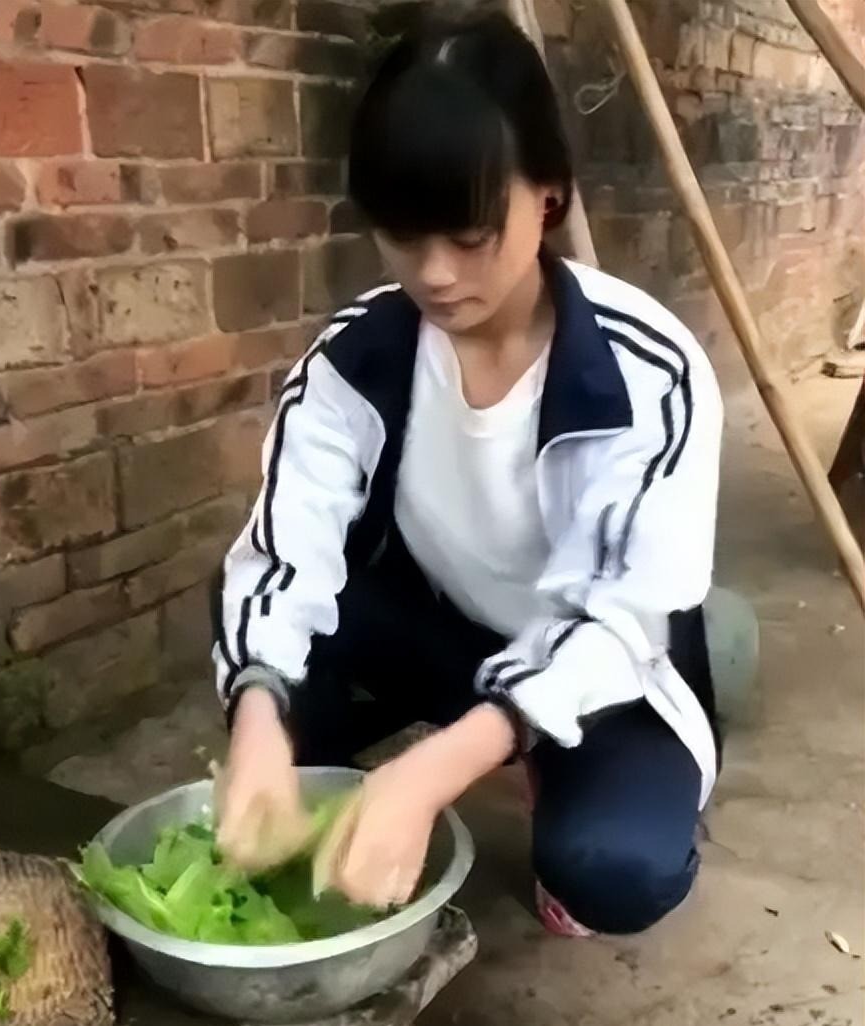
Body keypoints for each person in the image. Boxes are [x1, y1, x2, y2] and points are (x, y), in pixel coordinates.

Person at [211, 8, 723, 938]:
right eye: (403, 238)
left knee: (615, 871)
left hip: (606, 661)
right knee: (266, 658)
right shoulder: (357, 358)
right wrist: (256, 718)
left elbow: (621, 619)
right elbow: (286, 552)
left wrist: (432, 771)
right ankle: (336, 777)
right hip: (445, 634)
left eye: (471, 235)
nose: (436, 275)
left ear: (549, 199)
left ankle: (568, 741)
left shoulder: (647, 369)